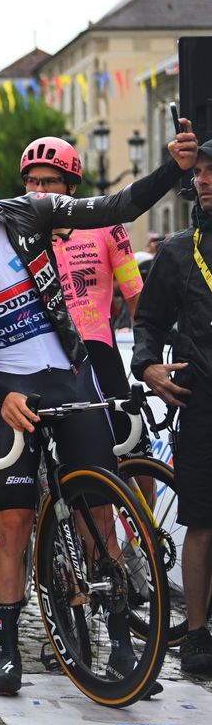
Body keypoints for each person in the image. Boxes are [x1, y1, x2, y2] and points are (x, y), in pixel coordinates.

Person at [0, 121, 197, 694]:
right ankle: (9, 648)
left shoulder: (30, 212)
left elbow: (116, 204)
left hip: (70, 377)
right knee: (12, 523)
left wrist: (176, 169)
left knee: (100, 515)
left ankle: (120, 643)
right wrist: (4, 396)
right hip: (11, 395)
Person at [132, 137, 212, 676]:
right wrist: (148, 367)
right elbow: (148, 324)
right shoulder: (180, 251)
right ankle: (199, 634)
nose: (203, 179)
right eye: (200, 171)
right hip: (201, 403)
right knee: (203, 522)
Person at [20, 137, 144, 447]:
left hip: (98, 349)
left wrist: (147, 354)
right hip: (43, 356)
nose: (38, 190)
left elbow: (135, 296)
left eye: (48, 182)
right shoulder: (16, 236)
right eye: (31, 181)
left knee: (134, 448)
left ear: (72, 186)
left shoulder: (106, 227)